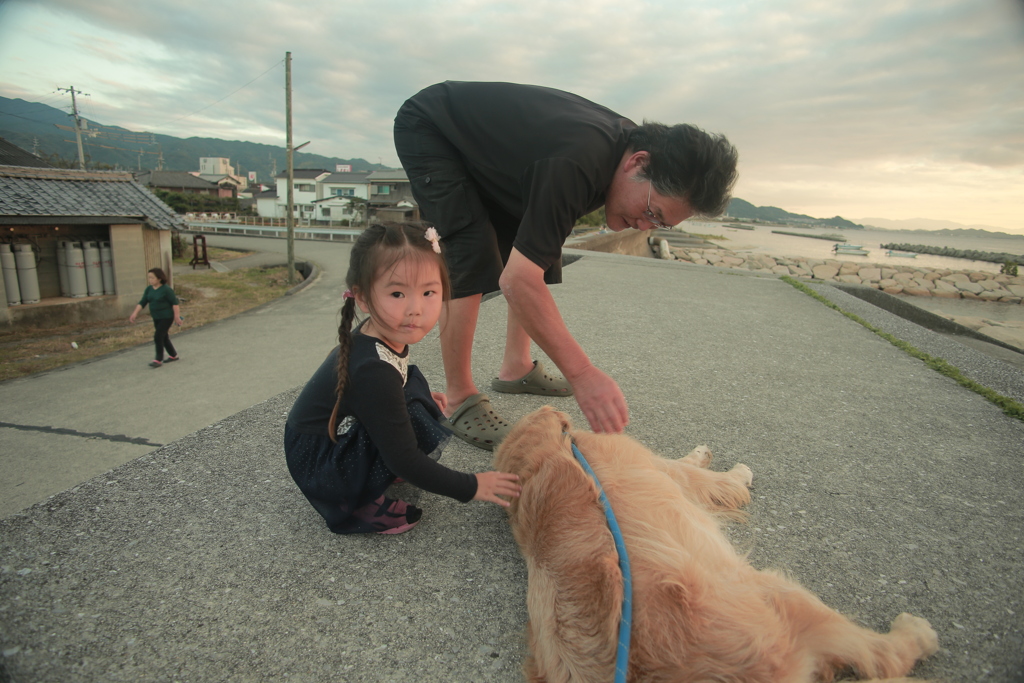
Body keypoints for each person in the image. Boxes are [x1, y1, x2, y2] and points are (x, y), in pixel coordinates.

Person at [394, 81, 738, 448]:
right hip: (433, 127)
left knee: (536, 246)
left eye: (660, 224)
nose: (644, 225)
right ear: (638, 162)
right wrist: (583, 374)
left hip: (498, 156)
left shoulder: (613, 155)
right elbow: (518, 281)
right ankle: (460, 396)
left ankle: (516, 366)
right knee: (470, 247)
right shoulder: (579, 160)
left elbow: (531, 261)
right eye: (652, 211)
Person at [283, 222, 521, 535]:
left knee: (415, 395)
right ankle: (356, 503)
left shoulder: (381, 335)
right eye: (397, 293)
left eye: (429, 292)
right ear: (364, 298)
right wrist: (472, 485)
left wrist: (419, 398)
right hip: (319, 465)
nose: (415, 309)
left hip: (326, 440)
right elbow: (405, 459)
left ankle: (372, 468)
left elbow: (400, 377)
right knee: (407, 424)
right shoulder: (372, 371)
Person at [129, 267, 183, 368]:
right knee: (164, 336)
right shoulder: (149, 289)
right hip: (156, 317)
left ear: (159, 278)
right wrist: (135, 313)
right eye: (149, 278)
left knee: (158, 336)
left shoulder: (166, 290)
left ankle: (158, 359)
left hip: (166, 317)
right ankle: (173, 355)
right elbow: (143, 302)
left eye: (152, 278)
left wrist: (177, 317)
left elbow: (175, 304)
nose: (150, 280)